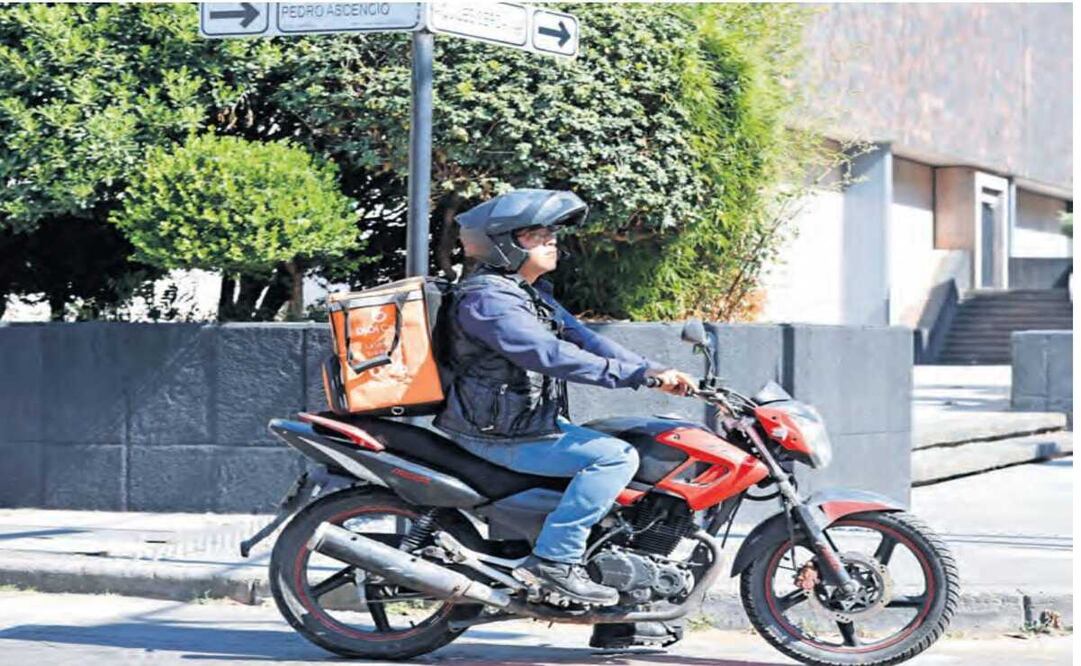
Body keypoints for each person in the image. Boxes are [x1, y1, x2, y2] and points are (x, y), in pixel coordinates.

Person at [432, 189, 697, 608]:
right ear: (504, 244)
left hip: (525, 422)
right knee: (613, 457)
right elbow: (549, 354)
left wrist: (653, 371)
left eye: (551, 232)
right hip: (498, 432)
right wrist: (636, 376)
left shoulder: (526, 293)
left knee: (621, 439)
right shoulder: (488, 300)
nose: (551, 240)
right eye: (537, 234)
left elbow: (586, 339)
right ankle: (555, 562)